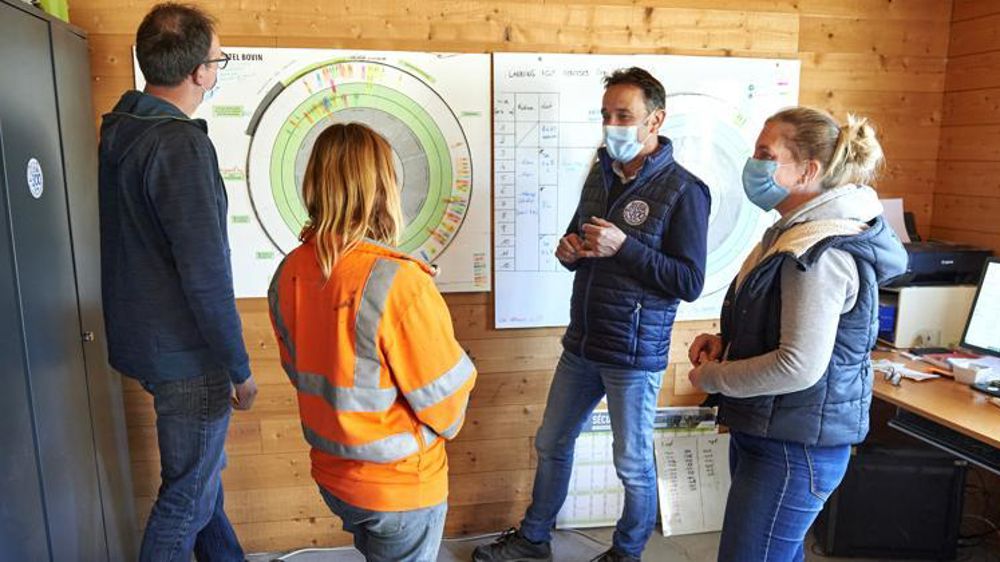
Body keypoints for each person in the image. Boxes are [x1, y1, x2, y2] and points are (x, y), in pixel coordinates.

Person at [473, 67, 711, 562]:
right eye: (606, 115)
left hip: (633, 355)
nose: (612, 125)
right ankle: (534, 540)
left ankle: (626, 553)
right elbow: (578, 238)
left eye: (624, 115)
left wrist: (623, 247)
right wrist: (569, 250)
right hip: (581, 345)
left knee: (632, 465)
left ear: (655, 120)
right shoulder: (599, 173)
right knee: (552, 442)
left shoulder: (686, 190)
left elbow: (688, 282)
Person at [686, 107, 907, 561]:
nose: (754, 164)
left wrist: (714, 378)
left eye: (766, 154)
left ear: (808, 170)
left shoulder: (820, 252)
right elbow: (777, 325)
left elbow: (798, 365)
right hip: (776, 431)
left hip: (793, 448)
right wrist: (724, 345)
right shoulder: (793, 233)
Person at [268, 123, 476, 562]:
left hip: (334, 478)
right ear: (384, 187)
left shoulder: (289, 272)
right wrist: (417, 298)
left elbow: (302, 369)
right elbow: (448, 409)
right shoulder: (399, 281)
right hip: (400, 488)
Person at [98, 3, 256, 561]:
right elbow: (205, 272)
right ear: (199, 74)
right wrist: (238, 368)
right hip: (190, 358)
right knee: (186, 497)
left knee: (200, 482)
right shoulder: (180, 145)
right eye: (219, 59)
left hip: (145, 344)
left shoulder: (123, 127)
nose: (217, 69)